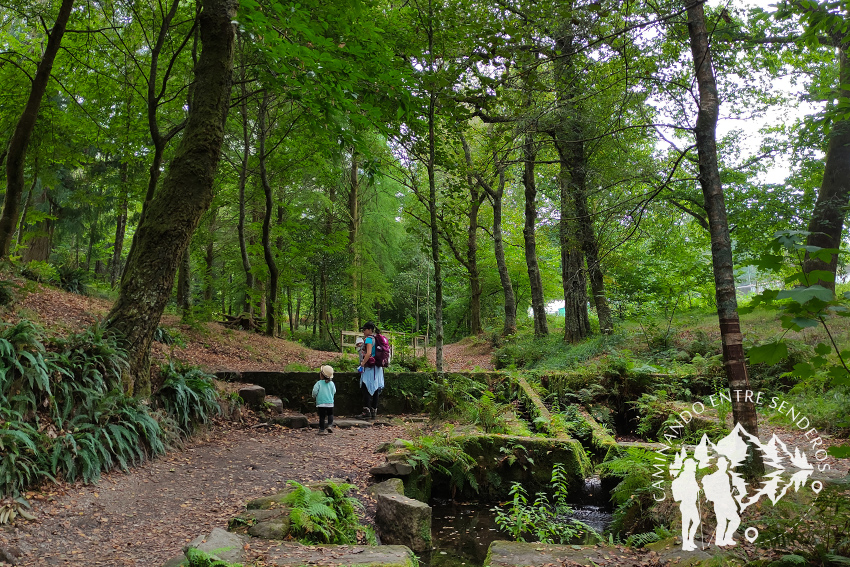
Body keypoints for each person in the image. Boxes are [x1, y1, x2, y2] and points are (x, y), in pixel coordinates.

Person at [672, 458, 701, 551]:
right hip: (686, 503)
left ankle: (690, 541)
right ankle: (685, 543)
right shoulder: (684, 475)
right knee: (686, 523)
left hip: (692, 503)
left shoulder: (691, 475)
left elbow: (694, 487)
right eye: (693, 465)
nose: (694, 467)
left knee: (696, 521)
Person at [359, 321, 384, 420]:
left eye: (364, 329)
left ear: (369, 330)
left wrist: (362, 363)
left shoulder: (369, 339)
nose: (363, 331)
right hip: (378, 368)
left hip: (370, 368)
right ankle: (374, 411)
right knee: (376, 388)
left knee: (366, 387)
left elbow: (368, 353)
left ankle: (366, 412)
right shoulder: (378, 338)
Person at [312, 365, 336, 435]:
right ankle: (330, 425)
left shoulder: (318, 383)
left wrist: (314, 396)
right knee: (330, 414)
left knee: (322, 416)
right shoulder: (332, 383)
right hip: (330, 402)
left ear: (321, 375)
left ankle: (321, 429)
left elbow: (314, 391)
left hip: (321, 403)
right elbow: (334, 391)